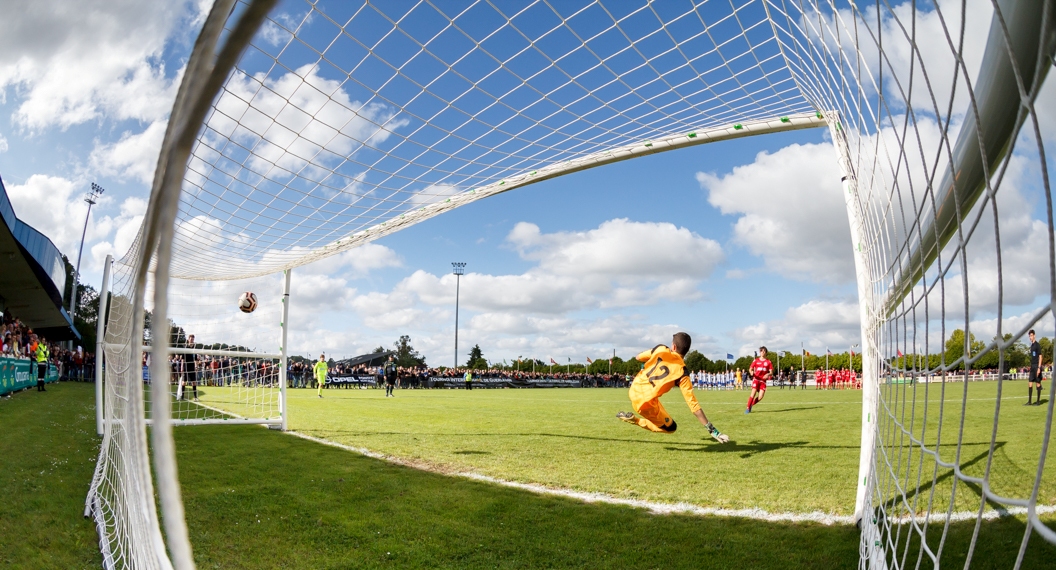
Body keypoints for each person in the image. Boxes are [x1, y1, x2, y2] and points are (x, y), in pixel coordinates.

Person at [616, 333, 729, 443]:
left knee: (658, 406)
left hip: (634, 388)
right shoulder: (682, 372)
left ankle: (634, 417)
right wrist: (713, 431)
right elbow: (694, 406)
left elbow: (638, 357)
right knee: (671, 428)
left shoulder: (661, 348)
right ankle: (635, 420)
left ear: (673, 346)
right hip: (644, 403)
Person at [745, 346, 773, 414]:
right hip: (756, 379)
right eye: (761, 351)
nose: (762, 352)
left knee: (760, 397)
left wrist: (768, 374)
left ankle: (751, 405)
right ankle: (747, 408)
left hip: (763, 381)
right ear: (760, 352)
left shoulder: (768, 362)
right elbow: (750, 369)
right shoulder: (756, 360)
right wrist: (751, 372)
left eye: (764, 351)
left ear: (766, 353)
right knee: (753, 393)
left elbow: (771, 372)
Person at [1027, 329, 1045, 406]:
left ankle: (1038, 402)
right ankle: (1030, 401)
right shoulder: (1032, 346)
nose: (1030, 337)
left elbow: (1040, 357)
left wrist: (1039, 367)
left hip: (1037, 366)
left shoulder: (1037, 345)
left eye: (1031, 335)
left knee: (1038, 383)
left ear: (1034, 335)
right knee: (1030, 383)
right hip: (1032, 366)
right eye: (1029, 336)